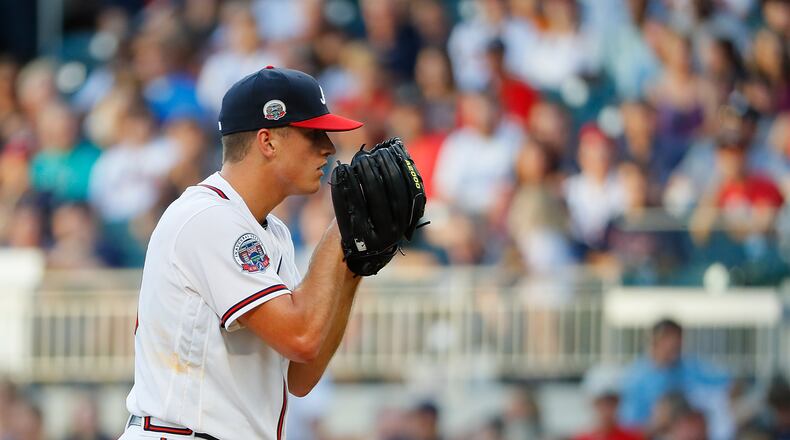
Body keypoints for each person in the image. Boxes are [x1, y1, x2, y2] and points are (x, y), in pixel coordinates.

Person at [119, 66, 365, 440]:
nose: (328, 147)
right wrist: (341, 231)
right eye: (313, 134)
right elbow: (300, 337)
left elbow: (301, 372)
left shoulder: (271, 230)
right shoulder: (208, 216)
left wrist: (352, 266)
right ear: (268, 141)